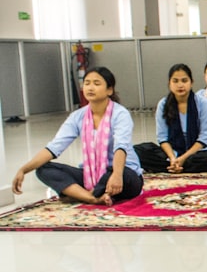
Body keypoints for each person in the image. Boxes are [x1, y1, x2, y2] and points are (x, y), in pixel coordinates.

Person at [12, 66, 143, 205]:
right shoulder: (78, 116)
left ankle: (81, 194)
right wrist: (23, 169)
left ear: (109, 90)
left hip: (122, 173)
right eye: (87, 83)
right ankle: (92, 197)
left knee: (123, 176)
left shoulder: (120, 114)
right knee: (44, 169)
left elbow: (120, 147)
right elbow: (54, 148)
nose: (90, 88)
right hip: (90, 175)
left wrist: (116, 175)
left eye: (96, 84)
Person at [135, 64, 207, 173]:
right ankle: (175, 165)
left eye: (184, 81)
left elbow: (204, 138)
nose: (180, 85)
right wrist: (173, 158)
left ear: (191, 82)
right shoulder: (163, 104)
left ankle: (172, 167)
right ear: (169, 83)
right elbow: (162, 138)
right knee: (138, 151)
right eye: (175, 81)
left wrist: (183, 158)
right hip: (172, 152)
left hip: (195, 152)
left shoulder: (202, 103)